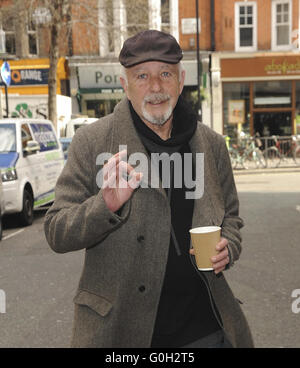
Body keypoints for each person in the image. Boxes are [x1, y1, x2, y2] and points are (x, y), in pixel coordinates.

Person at [44, 30, 253, 348]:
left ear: (181, 81)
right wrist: (106, 204)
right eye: (142, 75)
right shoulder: (93, 143)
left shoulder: (211, 144)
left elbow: (232, 217)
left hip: (203, 327)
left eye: (165, 74)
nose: (155, 87)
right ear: (125, 85)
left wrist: (229, 246)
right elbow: (57, 231)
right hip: (121, 329)